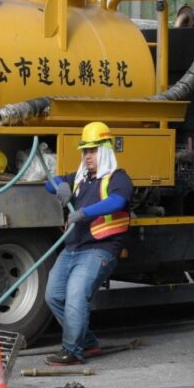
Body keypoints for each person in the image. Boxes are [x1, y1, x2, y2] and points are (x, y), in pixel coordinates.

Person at [44, 121, 134, 365]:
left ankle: (72, 350)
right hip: (72, 248)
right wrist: (60, 185)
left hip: (100, 249)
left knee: (75, 296)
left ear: (104, 151)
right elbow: (48, 182)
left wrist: (84, 213)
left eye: (92, 150)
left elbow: (117, 202)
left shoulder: (119, 178)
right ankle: (88, 342)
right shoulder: (78, 178)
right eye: (85, 151)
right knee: (54, 296)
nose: (87, 156)